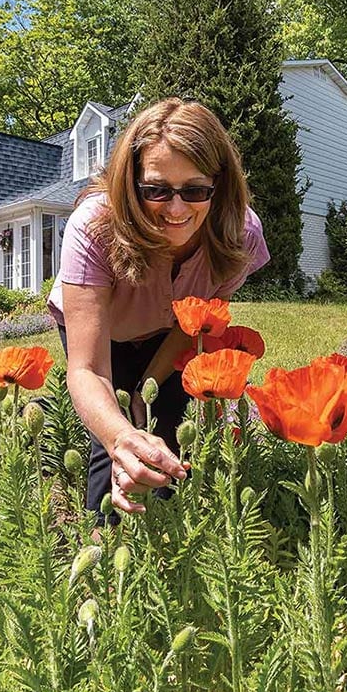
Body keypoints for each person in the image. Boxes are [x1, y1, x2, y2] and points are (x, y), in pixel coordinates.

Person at [46, 98, 271, 527]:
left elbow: (195, 325)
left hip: (169, 332)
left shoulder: (240, 233)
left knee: (166, 419)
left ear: (219, 185)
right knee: (115, 440)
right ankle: (105, 548)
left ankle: (166, 541)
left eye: (196, 189)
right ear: (132, 184)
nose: (176, 208)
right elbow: (88, 370)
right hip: (102, 334)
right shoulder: (93, 227)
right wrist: (122, 434)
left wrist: (150, 384)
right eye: (156, 190)